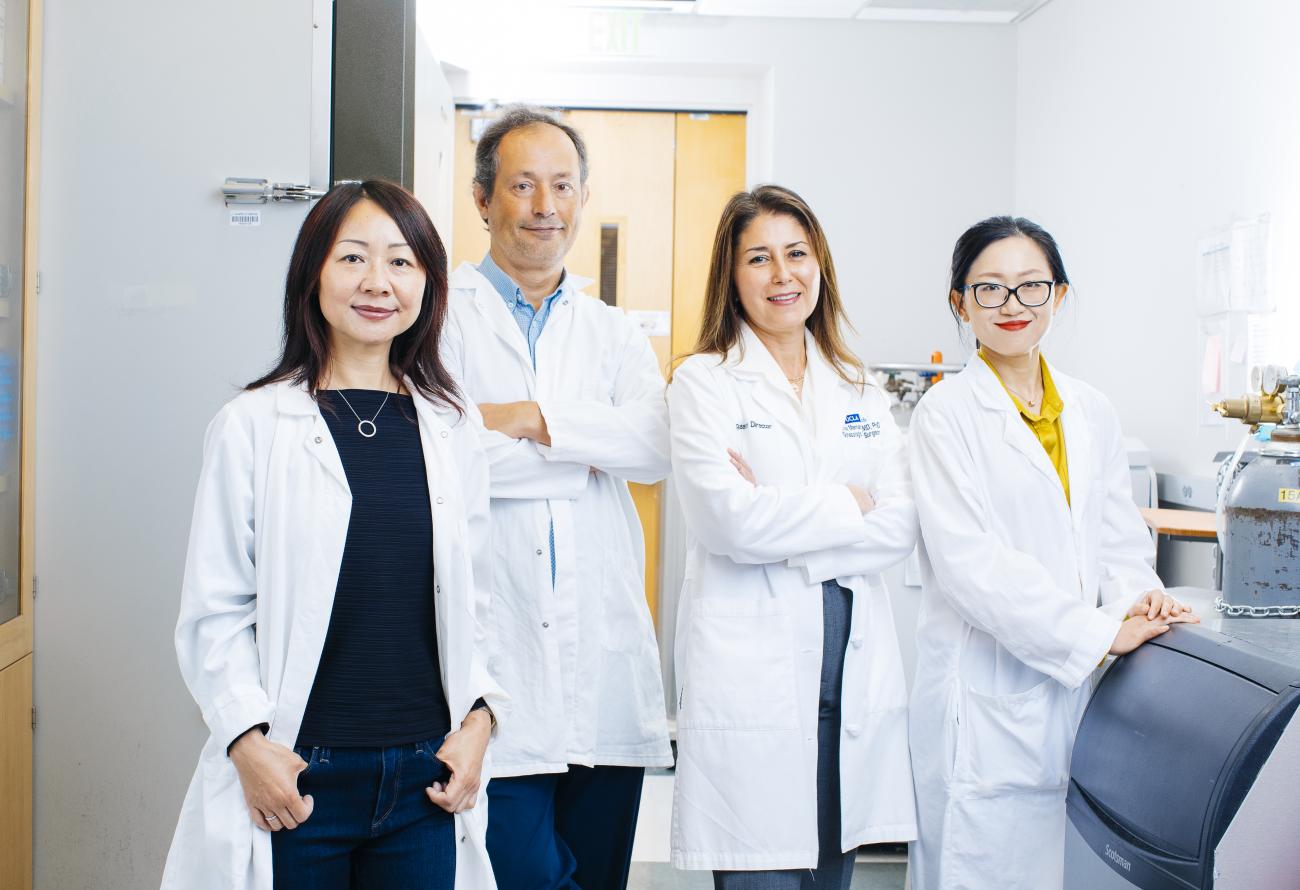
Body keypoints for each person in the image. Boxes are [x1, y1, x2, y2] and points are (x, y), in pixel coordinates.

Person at [162, 180, 507, 890]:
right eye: (352, 258)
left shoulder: (451, 426)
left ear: (428, 285)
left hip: (425, 782)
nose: (377, 282)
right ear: (312, 274)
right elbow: (214, 609)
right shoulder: (253, 426)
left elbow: (478, 598)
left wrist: (480, 722)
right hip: (297, 779)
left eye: (402, 262)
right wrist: (247, 744)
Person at [906, 216, 1199, 889]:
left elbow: (1115, 534)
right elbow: (971, 567)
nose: (1013, 306)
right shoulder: (946, 415)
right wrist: (1098, 632)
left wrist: (1138, 596)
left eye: (1031, 286)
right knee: (980, 867)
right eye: (990, 290)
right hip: (983, 699)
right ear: (960, 304)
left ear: (1059, 296)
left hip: (1072, 698)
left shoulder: (1091, 410)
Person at [441, 105, 672, 890]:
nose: (546, 206)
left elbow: (650, 447)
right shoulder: (437, 320)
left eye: (563, 186)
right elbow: (443, 458)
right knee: (519, 874)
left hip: (603, 663)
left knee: (599, 875)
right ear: (483, 200)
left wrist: (530, 420)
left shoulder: (613, 332)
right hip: (497, 668)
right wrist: (582, 450)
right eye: (523, 185)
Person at [667, 185, 919, 889]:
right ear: (732, 276)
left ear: (820, 265)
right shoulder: (704, 383)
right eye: (759, 258)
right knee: (763, 874)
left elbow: (900, 522)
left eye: (797, 253)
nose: (783, 275)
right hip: (755, 675)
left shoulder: (858, 387)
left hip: (849, 669)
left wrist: (778, 515)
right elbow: (725, 521)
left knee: (831, 873)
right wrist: (849, 501)